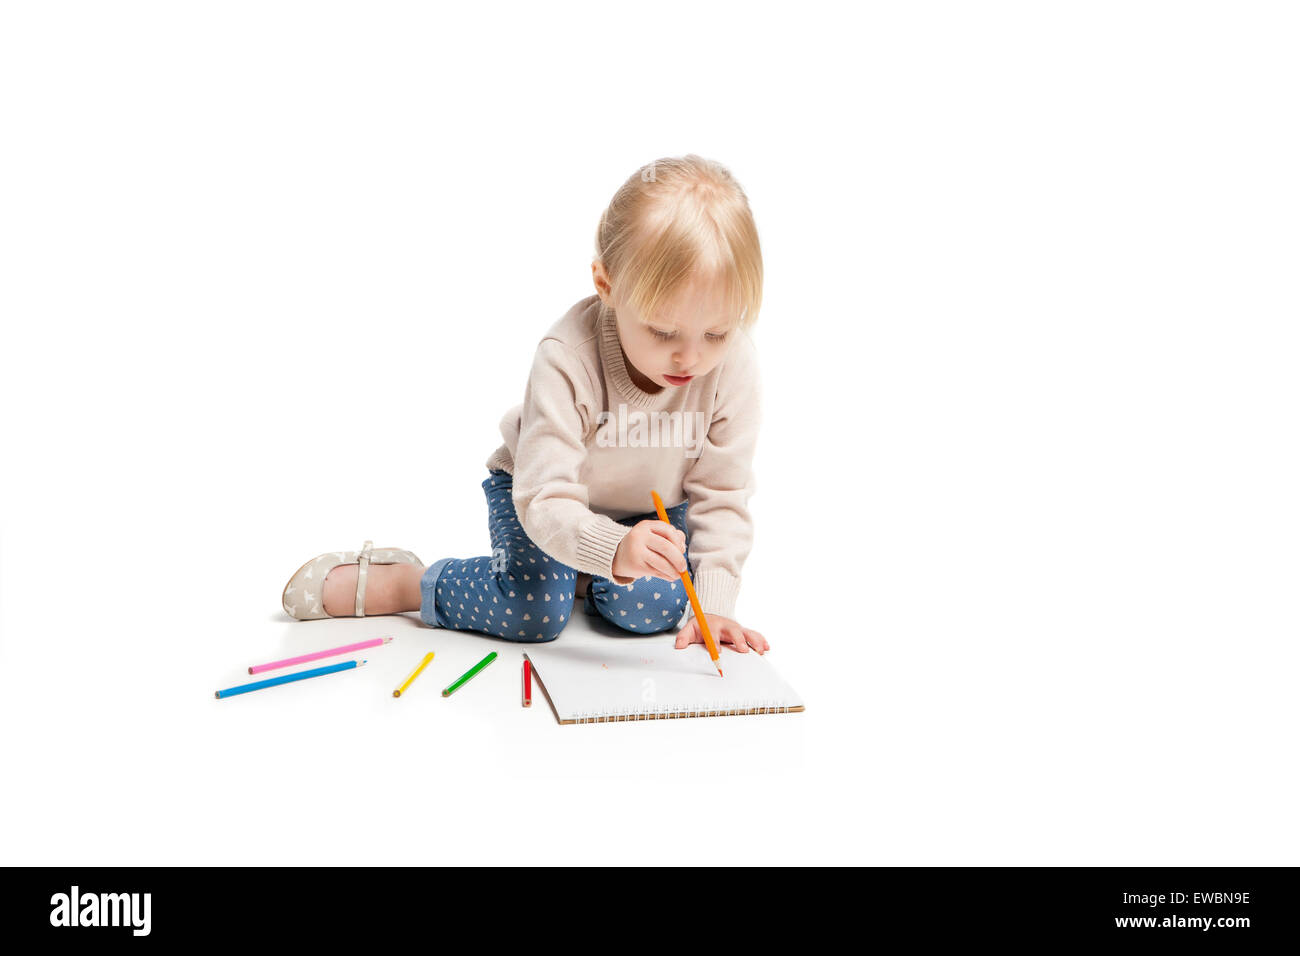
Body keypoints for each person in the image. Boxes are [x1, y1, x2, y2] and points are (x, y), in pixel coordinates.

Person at [281, 154, 768, 655]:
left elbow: (722, 494)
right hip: (540, 494)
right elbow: (545, 498)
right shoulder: (567, 359)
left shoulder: (732, 367)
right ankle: (409, 582)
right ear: (607, 286)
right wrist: (615, 549)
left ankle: (583, 574)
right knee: (532, 611)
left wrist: (714, 606)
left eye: (717, 332)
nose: (691, 357)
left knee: (655, 611)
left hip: (647, 513)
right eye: (663, 331)